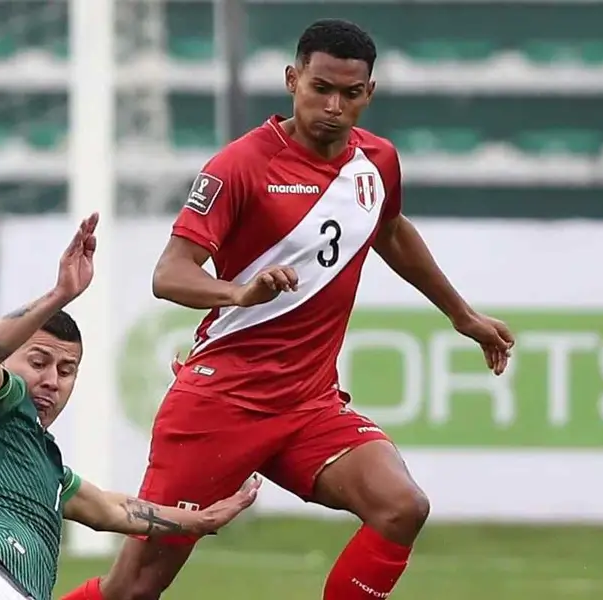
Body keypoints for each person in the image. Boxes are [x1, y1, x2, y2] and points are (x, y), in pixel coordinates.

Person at [61, 19, 514, 600]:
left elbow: (391, 231)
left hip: (308, 405)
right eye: (320, 88)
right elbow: (169, 274)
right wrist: (238, 292)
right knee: (134, 588)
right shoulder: (240, 166)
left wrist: (462, 315)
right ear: (292, 80)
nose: (334, 106)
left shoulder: (378, 161)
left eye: (351, 93)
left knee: (401, 505)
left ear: (370, 93)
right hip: (222, 402)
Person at [0, 212, 261, 600]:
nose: (52, 380)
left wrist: (200, 519)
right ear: (7, 361)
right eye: (38, 362)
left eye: (66, 370)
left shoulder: (47, 467)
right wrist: (59, 295)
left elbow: (113, 510)